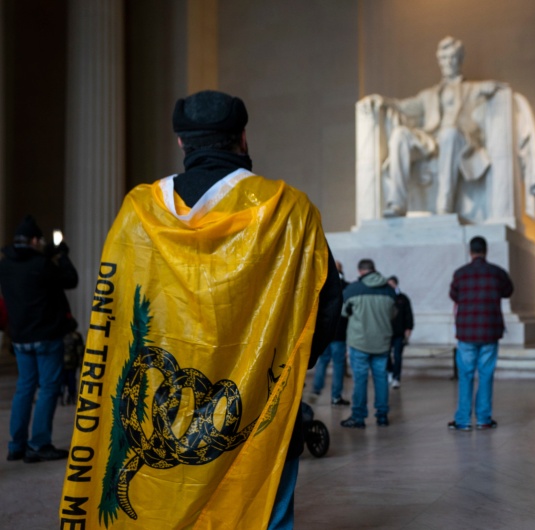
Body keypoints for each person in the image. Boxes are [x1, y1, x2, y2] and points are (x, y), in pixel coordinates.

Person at [59, 90, 342, 529]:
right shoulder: (288, 210)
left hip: (161, 409)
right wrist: (283, 369)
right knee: (264, 507)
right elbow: (326, 305)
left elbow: (114, 311)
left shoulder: (138, 213)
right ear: (242, 138)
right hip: (257, 410)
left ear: (181, 143)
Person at [362, 36, 505, 216]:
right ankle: (397, 203)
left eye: (452, 57)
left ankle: (443, 207)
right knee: (400, 134)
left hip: (457, 139)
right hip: (431, 140)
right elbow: (402, 106)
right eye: (444, 58)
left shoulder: (473, 89)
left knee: (449, 134)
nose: (448, 62)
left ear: (460, 60)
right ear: (439, 61)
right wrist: (382, 100)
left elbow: (496, 90)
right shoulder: (428, 95)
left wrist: (493, 89)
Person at [0, 215, 78, 463]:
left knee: (24, 388)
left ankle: (17, 445)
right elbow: (71, 280)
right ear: (34, 240)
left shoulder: (5, 265)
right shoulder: (41, 264)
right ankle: (39, 444)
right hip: (45, 337)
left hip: (21, 338)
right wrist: (60, 255)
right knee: (48, 389)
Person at [448, 236, 513, 431]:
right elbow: (508, 291)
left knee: (465, 376)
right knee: (486, 375)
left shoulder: (460, 273)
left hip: (467, 331)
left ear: (470, 251)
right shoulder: (497, 272)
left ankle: (463, 421)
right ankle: (484, 419)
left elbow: (453, 295)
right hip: (490, 330)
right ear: (486, 251)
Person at [340, 259, 396, 428]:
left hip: (360, 342)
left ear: (360, 271)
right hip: (382, 343)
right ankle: (382, 415)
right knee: (381, 379)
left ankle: (358, 417)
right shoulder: (389, 290)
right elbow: (393, 314)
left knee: (360, 380)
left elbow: (343, 312)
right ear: (373, 269)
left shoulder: (353, 289)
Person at [312, 260, 350, 405]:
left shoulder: (321, 285)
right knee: (338, 365)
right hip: (339, 333)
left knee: (322, 361)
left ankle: (316, 391)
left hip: (324, 331)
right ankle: (336, 397)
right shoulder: (347, 287)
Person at [386, 275, 414, 389]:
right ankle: (390, 372)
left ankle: (396, 377)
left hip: (399, 333)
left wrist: (408, 330)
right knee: (386, 355)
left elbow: (408, 315)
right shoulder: (385, 297)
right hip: (386, 333)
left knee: (397, 356)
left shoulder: (403, 298)